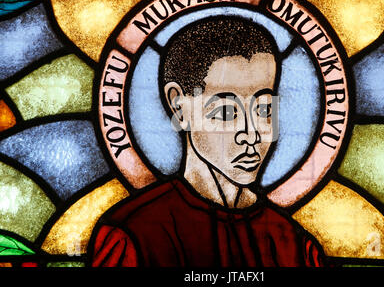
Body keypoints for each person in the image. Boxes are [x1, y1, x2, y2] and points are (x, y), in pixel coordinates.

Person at [89, 16, 327, 267]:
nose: (251, 134)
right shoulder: (134, 235)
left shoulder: (295, 246)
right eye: (226, 112)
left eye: (264, 110)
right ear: (180, 108)